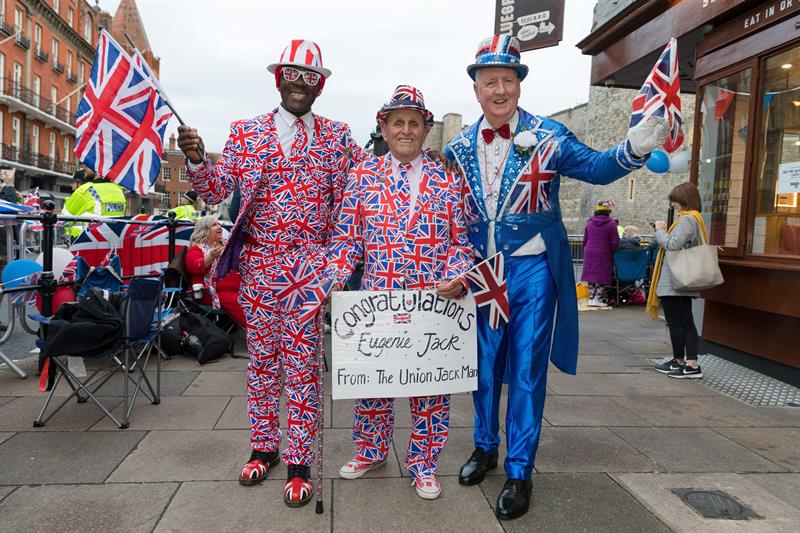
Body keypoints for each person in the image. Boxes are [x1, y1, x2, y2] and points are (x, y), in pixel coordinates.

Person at [443, 35, 667, 520]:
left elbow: (598, 166)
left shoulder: (548, 135)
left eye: (507, 81)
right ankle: (485, 446)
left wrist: (634, 147)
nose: (498, 90)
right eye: (489, 82)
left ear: (519, 86)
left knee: (525, 370)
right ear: (476, 89)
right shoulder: (458, 147)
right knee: (481, 368)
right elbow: (448, 213)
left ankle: (520, 469)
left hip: (532, 271)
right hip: (483, 273)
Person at [177, 39, 367, 508]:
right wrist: (199, 159)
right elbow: (217, 191)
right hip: (260, 265)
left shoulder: (339, 137)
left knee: (303, 367)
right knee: (262, 360)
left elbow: (359, 196)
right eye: (292, 76)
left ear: (320, 87)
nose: (300, 86)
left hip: (310, 269)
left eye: (310, 79)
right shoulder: (245, 132)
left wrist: (336, 268)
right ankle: (265, 447)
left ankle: (300, 460)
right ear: (277, 78)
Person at [326, 85, 472, 500]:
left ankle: (424, 462)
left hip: (433, 304)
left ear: (426, 129)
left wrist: (458, 277)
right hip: (378, 302)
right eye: (398, 123)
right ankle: (370, 450)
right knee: (372, 382)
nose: (406, 130)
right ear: (385, 129)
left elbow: (461, 242)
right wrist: (333, 277)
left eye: (414, 122)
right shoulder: (362, 177)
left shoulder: (448, 178)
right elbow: (346, 241)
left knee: (430, 386)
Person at [649, 182, 705, 379]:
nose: (672, 204)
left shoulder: (687, 220)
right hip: (681, 278)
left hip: (676, 280)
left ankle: (690, 364)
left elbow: (672, 245)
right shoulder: (692, 219)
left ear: (683, 200)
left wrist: (660, 230)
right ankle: (681, 360)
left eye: (674, 200)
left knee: (679, 322)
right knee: (683, 321)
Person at [185, 215, 246, 326]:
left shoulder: (227, 245)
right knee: (246, 304)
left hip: (237, 286)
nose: (219, 227)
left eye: (219, 224)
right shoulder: (196, 248)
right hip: (211, 291)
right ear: (204, 230)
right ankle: (258, 332)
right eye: (214, 225)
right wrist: (210, 257)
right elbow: (193, 267)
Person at [63, 167, 127, 240]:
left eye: (89, 165)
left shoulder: (86, 190)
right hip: (113, 240)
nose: (85, 168)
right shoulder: (118, 190)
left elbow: (66, 215)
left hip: (85, 239)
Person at [581, 201, 620, 307]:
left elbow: (585, 239)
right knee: (601, 275)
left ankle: (591, 298)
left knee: (591, 275)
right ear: (608, 212)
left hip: (589, 251)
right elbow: (615, 241)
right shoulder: (611, 224)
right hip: (604, 251)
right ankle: (598, 298)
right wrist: (613, 249)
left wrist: (587, 248)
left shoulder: (589, 223)